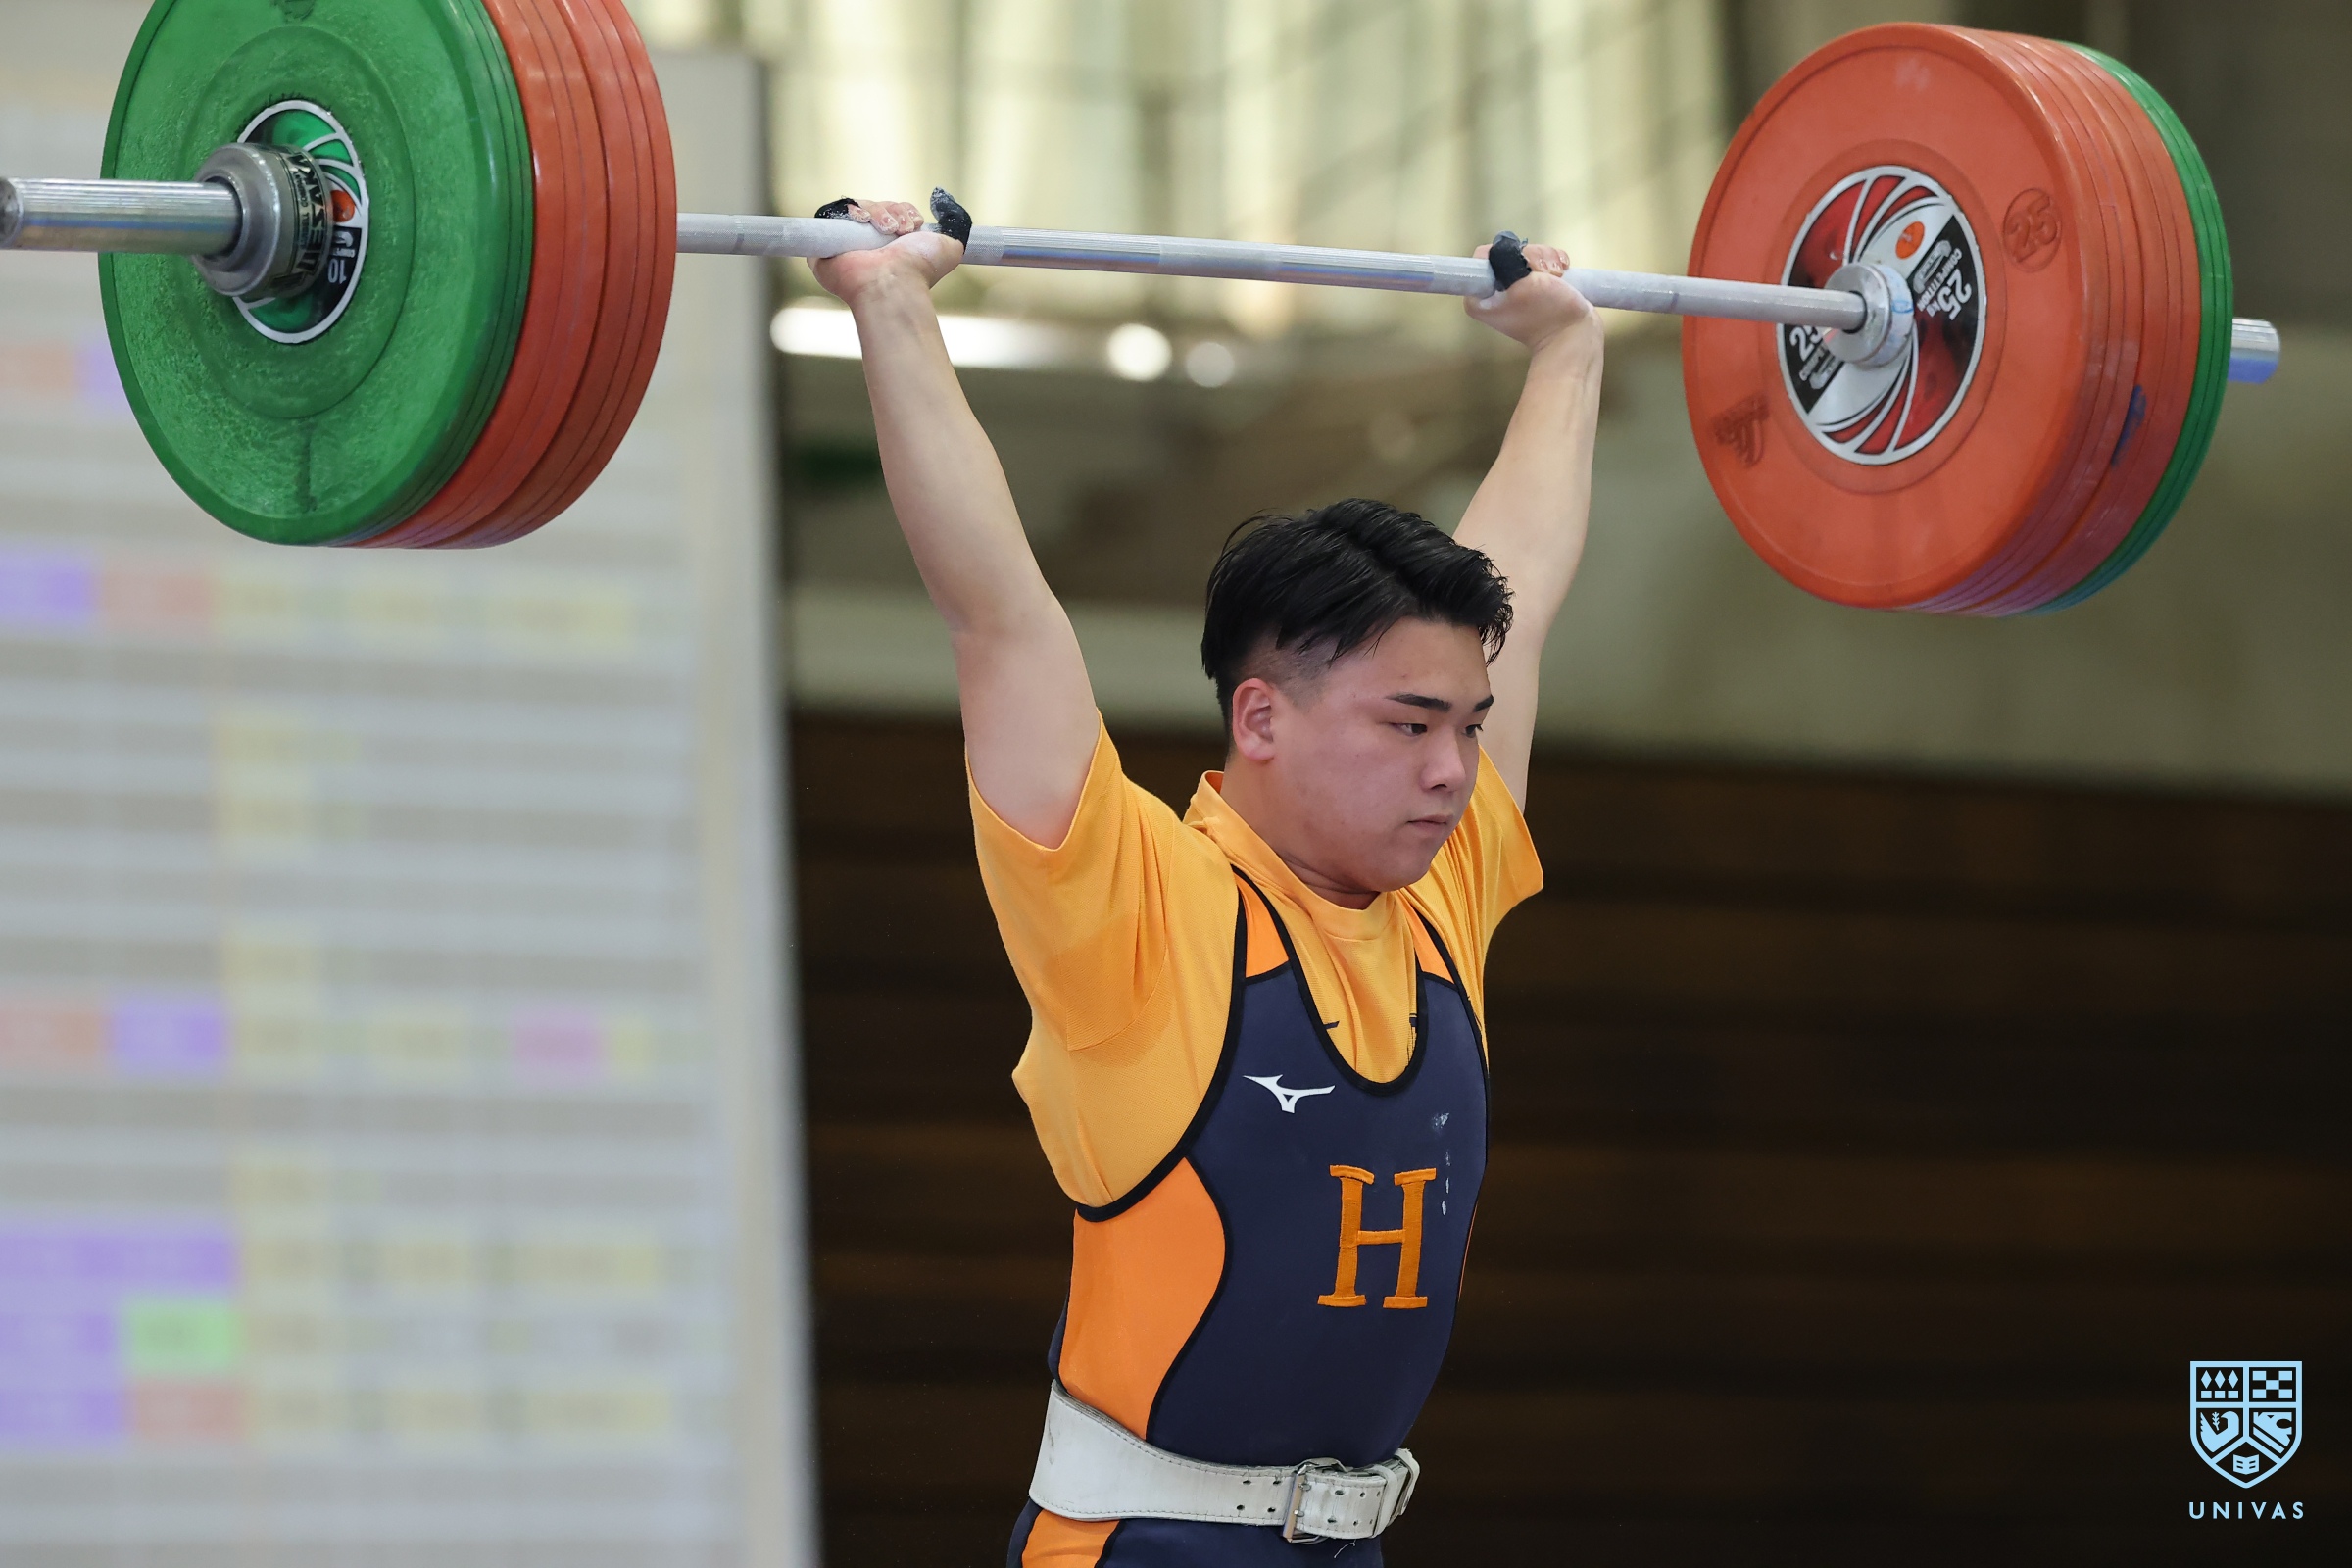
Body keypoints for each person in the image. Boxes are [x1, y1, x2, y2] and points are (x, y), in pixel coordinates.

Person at [812, 199, 1602, 1566]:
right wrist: (892, 304)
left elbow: (1519, 597)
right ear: (1260, 718)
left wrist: (1568, 352)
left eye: (1467, 730)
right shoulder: (1139, 907)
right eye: (1408, 726)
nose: (1452, 771)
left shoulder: (1443, 892)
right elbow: (999, 616)